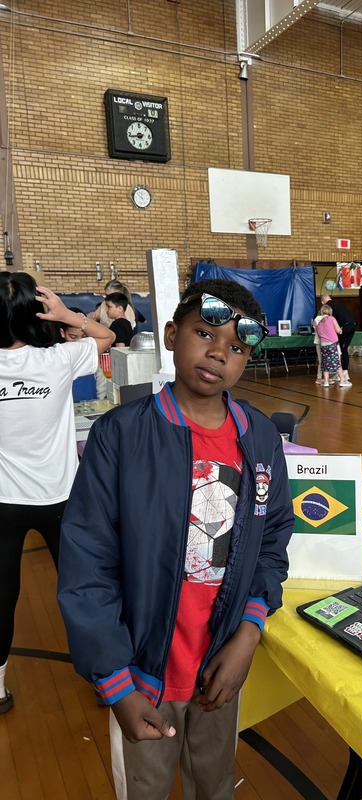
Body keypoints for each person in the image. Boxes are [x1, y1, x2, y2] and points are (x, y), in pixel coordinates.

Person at [57, 278, 295, 799]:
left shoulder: (259, 437)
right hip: (141, 674)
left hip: (220, 669)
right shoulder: (120, 435)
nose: (218, 352)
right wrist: (114, 679)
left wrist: (249, 632)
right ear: (170, 333)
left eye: (236, 346)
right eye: (205, 333)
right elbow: (87, 563)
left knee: (214, 788)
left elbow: (274, 536)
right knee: (145, 789)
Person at [0, 272, 115, 715]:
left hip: (3, 503)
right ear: (36, 313)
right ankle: (108, 680)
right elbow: (106, 335)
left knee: (1, 596)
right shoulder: (59, 359)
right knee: (84, 591)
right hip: (60, 499)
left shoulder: (57, 358)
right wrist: (70, 315)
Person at [59, 307, 108, 400]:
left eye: (84, 337)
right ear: (62, 333)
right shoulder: (57, 356)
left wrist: (99, 403)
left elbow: (101, 384)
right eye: (73, 337)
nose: (79, 342)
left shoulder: (89, 354)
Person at [320, 292, 356, 382]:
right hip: (353, 325)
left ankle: (341, 373)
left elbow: (324, 320)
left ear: (322, 302)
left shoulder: (326, 307)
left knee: (340, 350)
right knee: (344, 349)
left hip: (345, 327)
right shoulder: (339, 305)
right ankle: (344, 372)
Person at [316, 305, 351, 388]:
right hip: (332, 344)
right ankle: (343, 380)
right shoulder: (332, 319)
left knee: (325, 363)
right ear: (330, 312)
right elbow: (338, 330)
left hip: (323, 344)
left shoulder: (317, 321)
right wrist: (341, 330)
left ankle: (326, 381)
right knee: (337, 362)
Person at [312, 309, 325, 384]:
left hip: (325, 341)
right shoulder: (317, 319)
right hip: (320, 341)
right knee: (321, 360)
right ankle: (319, 377)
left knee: (325, 360)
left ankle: (325, 376)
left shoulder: (329, 318)